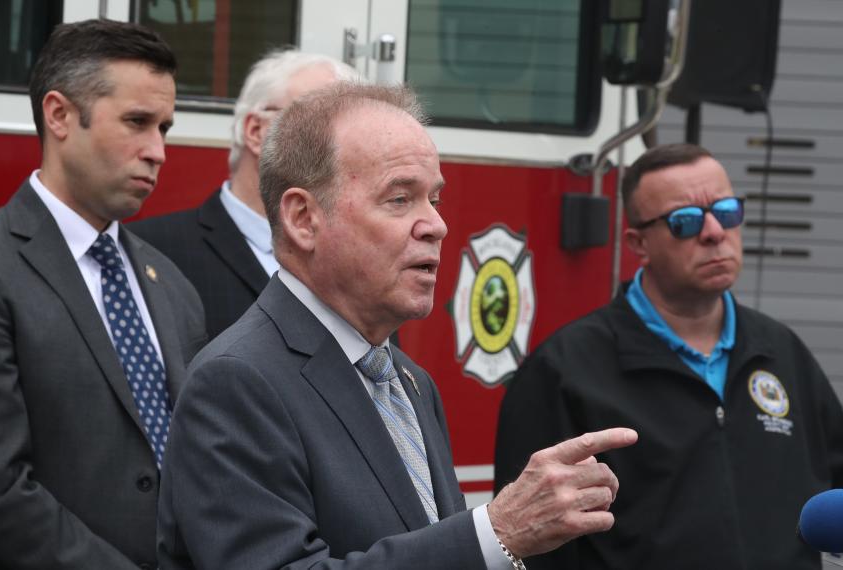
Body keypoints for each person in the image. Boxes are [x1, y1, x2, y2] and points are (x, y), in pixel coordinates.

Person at [158, 82, 638, 569]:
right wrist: (498, 532)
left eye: (435, 199)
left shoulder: (408, 381)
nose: (435, 225)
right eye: (399, 199)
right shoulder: (236, 381)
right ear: (303, 218)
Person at [0, 19, 208, 569]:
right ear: (60, 115)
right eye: (137, 122)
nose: (158, 150)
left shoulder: (172, 285)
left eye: (164, 126)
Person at [494, 143, 843, 569]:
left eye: (727, 211)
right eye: (686, 221)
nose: (714, 232)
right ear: (638, 242)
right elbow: (528, 545)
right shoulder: (565, 370)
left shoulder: (781, 351)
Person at [129, 49, 358, 340]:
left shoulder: (359, 257)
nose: (342, 146)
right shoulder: (149, 249)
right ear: (256, 131)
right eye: (320, 123)